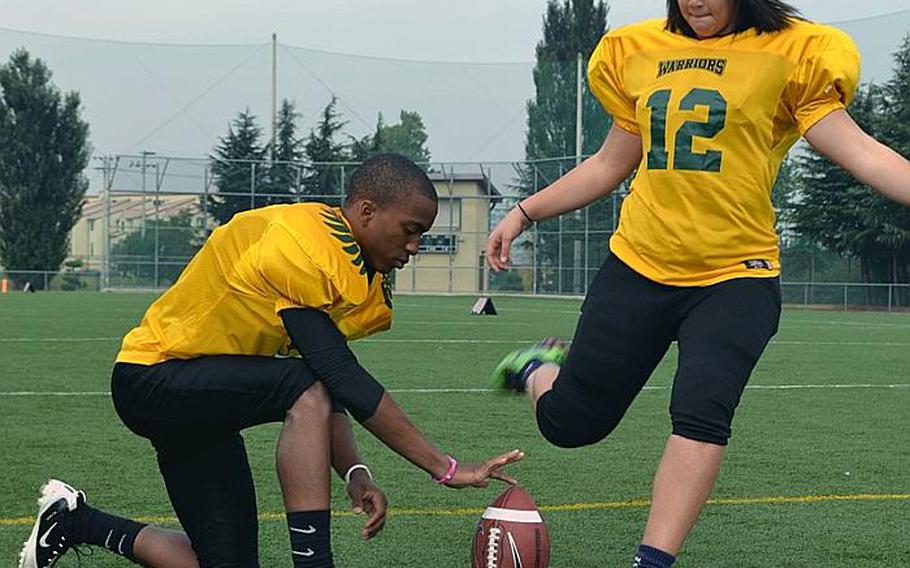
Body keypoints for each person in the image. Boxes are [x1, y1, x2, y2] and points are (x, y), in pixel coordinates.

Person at [487, 1, 910, 567]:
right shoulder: (638, 50)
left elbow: (862, 151)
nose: (696, 0)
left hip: (736, 276)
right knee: (570, 426)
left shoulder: (790, 52)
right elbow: (610, 163)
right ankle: (540, 368)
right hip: (638, 265)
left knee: (702, 409)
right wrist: (523, 212)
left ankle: (653, 560)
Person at [20, 153, 524, 568]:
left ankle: (76, 521)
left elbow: (325, 378)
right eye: (409, 230)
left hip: (204, 404)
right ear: (366, 211)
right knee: (305, 386)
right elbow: (337, 379)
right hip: (154, 377)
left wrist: (354, 473)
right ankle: (314, 562)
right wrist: (445, 468)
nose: (414, 247)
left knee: (222, 562)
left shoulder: (355, 270)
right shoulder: (305, 241)